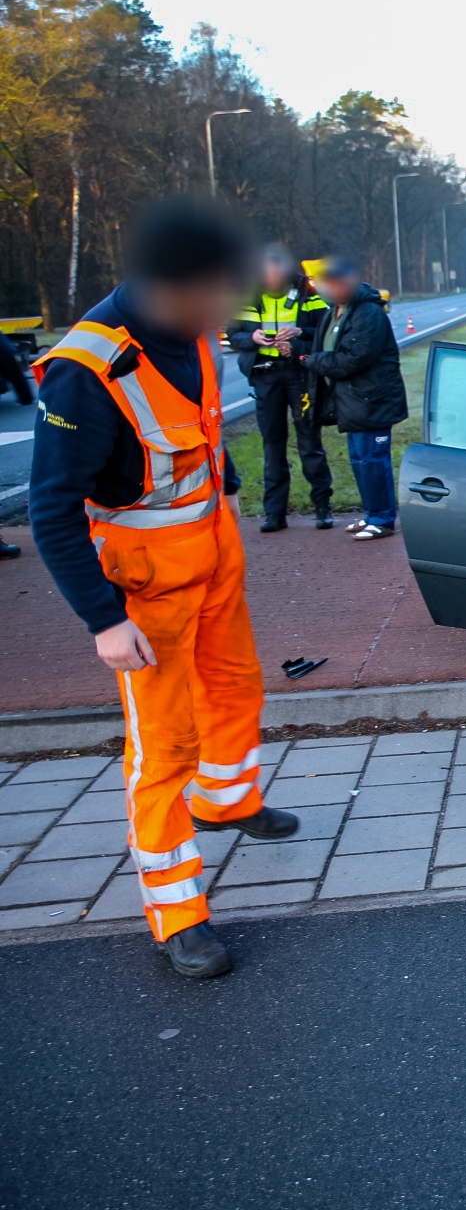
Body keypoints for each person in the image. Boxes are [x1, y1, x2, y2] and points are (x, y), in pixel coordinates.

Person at [29, 195, 302, 980]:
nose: (228, 308)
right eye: (219, 292)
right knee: (163, 745)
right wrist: (102, 620)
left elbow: (204, 433)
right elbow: (50, 510)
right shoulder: (87, 370)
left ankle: (228, 802)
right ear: (172, 284)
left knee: (237, 687)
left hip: (214, 559)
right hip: (145, 590)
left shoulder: (193, 332)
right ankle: (177, 912)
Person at [228, 244, 332, 532]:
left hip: (298, 374)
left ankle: (322, 507)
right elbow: (233, 334)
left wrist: (298, 338)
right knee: (272, 444)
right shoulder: (247, 294)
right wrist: (254, 338)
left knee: (310, 442)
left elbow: (326, 332)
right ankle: (274, 514)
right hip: (265, 376)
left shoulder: (308, 293)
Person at [304, 257, 405, 540]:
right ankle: (372, 514)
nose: (320, 289)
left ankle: (383, 519)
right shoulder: (337, 310)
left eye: (324, 284)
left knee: (373, 460)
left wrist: (314, 361)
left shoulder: (368, 312)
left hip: (371, 399)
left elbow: (354, 358)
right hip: (352, 401)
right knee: (360, 461)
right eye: (317, 284)